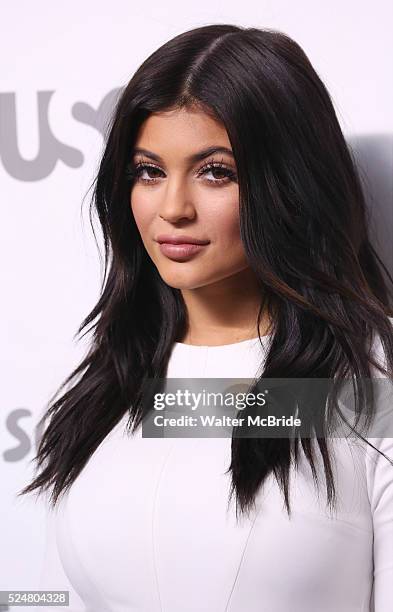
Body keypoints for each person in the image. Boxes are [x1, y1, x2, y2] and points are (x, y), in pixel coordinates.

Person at [19, 24, 393, 611]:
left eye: (215, 171)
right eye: (150, 171)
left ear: (287, 183)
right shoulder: (102, 386)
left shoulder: (367, 390)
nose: (173, 209)